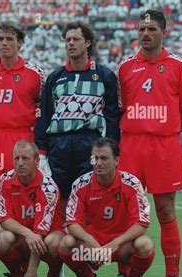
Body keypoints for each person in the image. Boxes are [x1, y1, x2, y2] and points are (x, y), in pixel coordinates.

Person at [116, 10, 182, 277]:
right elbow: (121, 108)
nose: (145, 34)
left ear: (164, 32)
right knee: (128, 215)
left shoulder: (177, 65)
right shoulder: (126, 67)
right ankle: (122, 276)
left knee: (165, 210)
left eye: (151, 28)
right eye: (141, 29)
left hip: (164, 146)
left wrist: (167, 128)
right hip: (132, 145)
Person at [0, 21, 46, 277]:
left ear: (20, 42)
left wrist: (36, 147)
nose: (4, 43)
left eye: (10, 38)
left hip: (21, 140)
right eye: (0, 38)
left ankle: (34, 269)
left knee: (24, 202)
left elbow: (43, 112)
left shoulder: (34, 74)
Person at [35, 21, 121, 212]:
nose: (70, 43)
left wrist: (112, 148)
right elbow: (45, 115)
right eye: (67, 40)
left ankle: (89, 239)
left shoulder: (105, 75)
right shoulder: (55, 77)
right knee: (60, 195)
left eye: (76, 39)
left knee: (90, 193)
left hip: (89, 142)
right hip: (60, 143)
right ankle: (63, 239)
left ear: (88, 43)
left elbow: (113, 115)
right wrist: (41, 152)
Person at [59, 138, 154, 277]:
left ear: (116, 160)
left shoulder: (131, 183)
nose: (98, 163)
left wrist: (113, 244)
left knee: (145, 245)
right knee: (66, 243)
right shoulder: (81, 184)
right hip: (93, 247)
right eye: (95, 158)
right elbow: (72, 223)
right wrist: (92, 242)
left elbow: (142, 223)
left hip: (121, 246)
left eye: (104, 158)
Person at [0, 140, 65, 277]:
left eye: (25, 158)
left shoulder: (48, 187)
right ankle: (17, 275)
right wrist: (27, 233)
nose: (20, 163)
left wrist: (32, 271)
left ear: (36, 161)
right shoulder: (4, 180)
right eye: (16, 158)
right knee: (3, 239)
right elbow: (4, 219)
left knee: (54, 243)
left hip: (46, 236)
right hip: (25, 236)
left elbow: (39, 233)